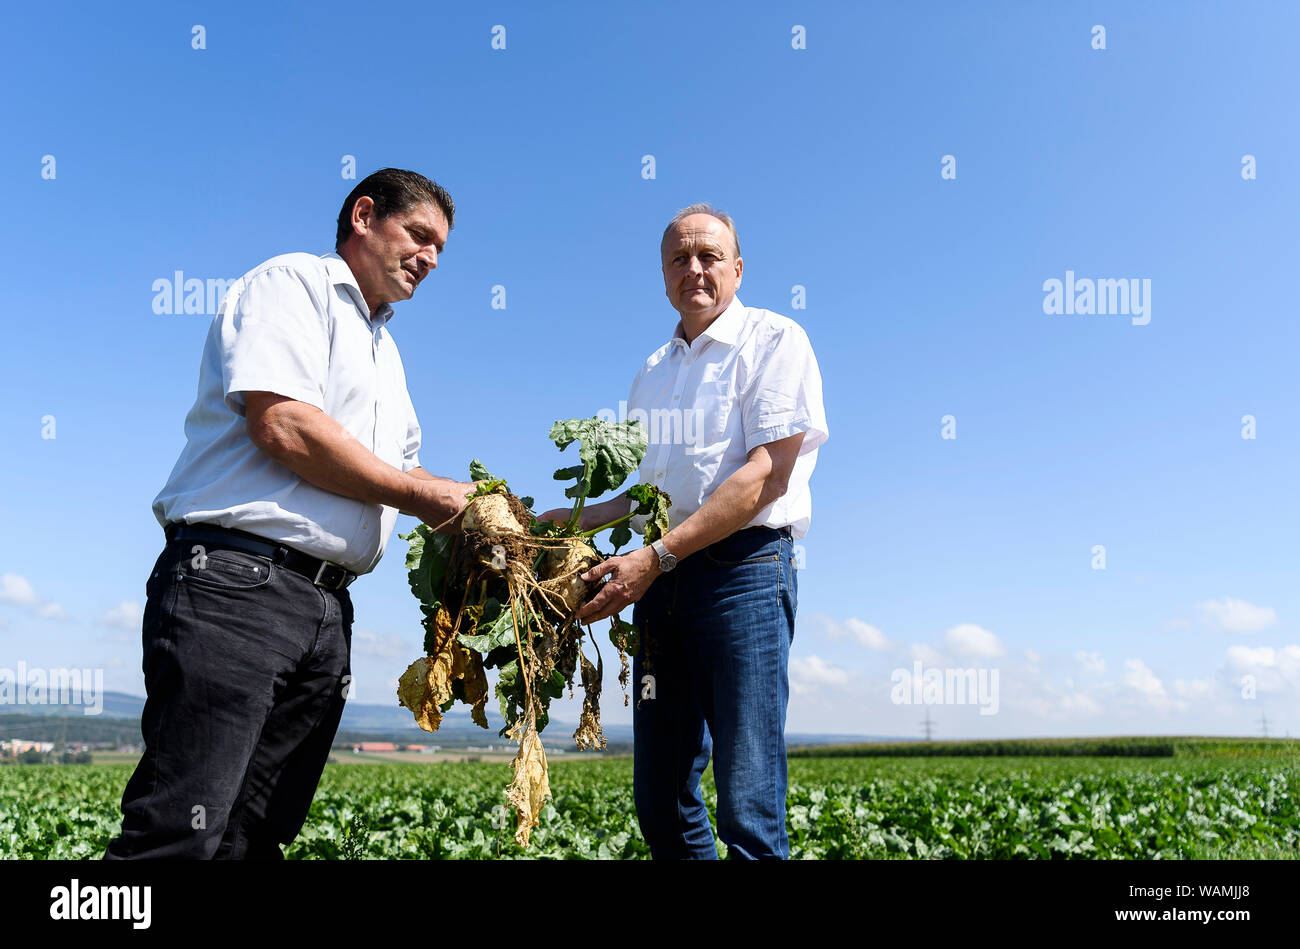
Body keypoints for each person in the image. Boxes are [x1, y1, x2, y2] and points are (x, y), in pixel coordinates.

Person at [105, 168, 476, 859]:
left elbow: (405, 470)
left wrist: (482, 513)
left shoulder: (386, 352)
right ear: (364, 215)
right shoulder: (293, 284)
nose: (429, 257)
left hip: (326, 611)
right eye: (419, 235)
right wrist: (424, 496)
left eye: (441, 250)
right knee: (175, 837)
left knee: (252, 840)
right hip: (238, 589)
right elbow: (284, 425)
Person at [541, 204, 828, 859]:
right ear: (663, 274)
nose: (693, 268)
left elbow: (766, 475)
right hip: (662, 582)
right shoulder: (653, 370)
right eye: (679, 258)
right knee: (663, 801)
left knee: (748, 799)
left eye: (708, 255)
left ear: (737, 267)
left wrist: (657, 556)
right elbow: (650, 494)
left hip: (743, 574)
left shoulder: (775, 339)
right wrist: (578, 519)